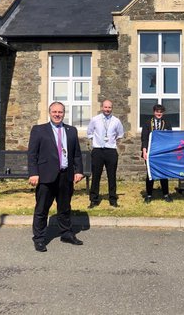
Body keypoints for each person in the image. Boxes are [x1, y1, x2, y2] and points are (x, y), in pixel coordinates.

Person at [28, 101, 84, 252]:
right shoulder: (39, 130)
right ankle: (39, 238)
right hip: (46, 176)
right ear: (49, 112)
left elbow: (76, 153)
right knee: (42, 209)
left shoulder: (71, 130)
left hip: (66, 175)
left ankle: (66, 233)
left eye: (60, 112)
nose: (57, 114)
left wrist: (79, 170)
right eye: (55, 112)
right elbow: (32, 154)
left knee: (65, 207)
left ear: (64, 113)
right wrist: (33, 173)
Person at [87, 100, 124, 208]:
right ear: (102, 107)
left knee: (111, 176)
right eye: (105, 107)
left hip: (111, 150)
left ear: (112, 108)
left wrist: (110, 141)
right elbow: (89, 133)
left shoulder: (116, 121)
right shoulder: (95, 119)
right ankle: (94, 199)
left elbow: (119, 134)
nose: (107, 109)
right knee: (96, 176)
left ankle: (112, 199)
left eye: (109, 107)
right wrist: (97, 141)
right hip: (98, 150)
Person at [141, 104, 173, 203]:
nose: (159, 113)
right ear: (154, 112)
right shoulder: (147, 122)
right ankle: (149, 195)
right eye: (157, 111)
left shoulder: (166, 122)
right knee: (150, 174)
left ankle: (166, 195)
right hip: (151, 152)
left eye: (161, 112)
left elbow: (170, 137)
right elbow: (144, 137)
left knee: (163, 173)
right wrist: (144, 151)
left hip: (162, 152)